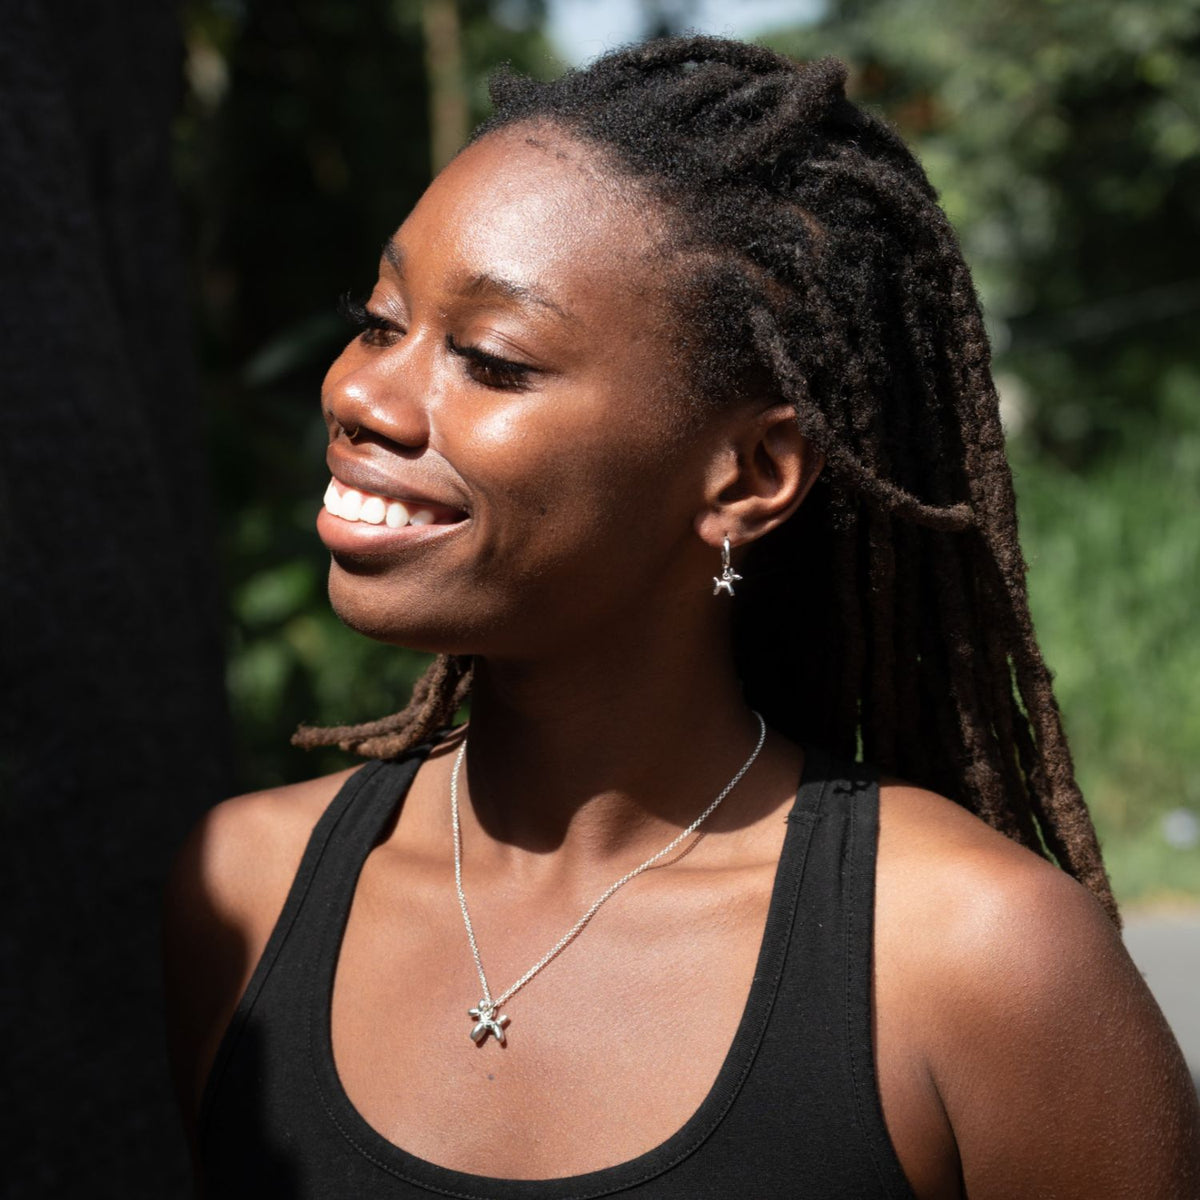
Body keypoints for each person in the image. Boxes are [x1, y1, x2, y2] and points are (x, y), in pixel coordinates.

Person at [164, 36, 1200, 1198]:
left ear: (750, 474)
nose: (359, 392)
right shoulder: (244, 892)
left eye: (490, 360)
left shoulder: (972, 963)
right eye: (377, 318)